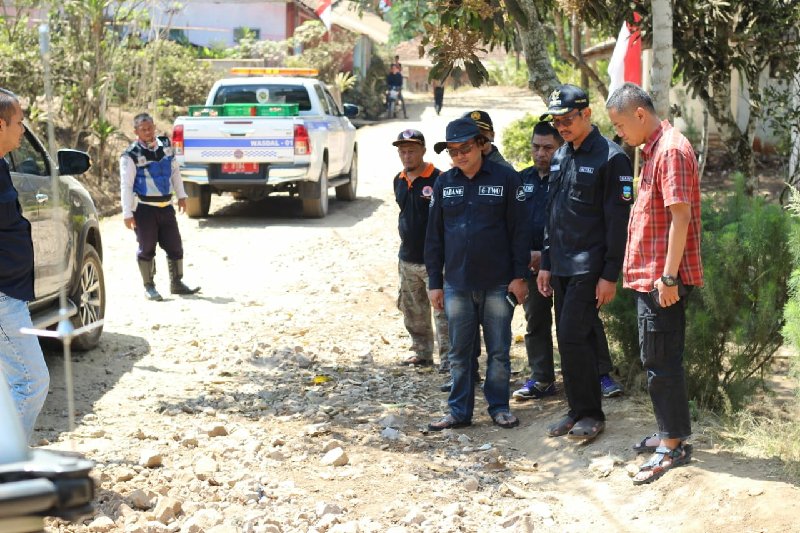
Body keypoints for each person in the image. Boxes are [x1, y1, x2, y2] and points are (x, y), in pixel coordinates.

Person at [606, 82, 703, 484]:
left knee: (662, 363)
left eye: (620, 124)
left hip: (663, 280)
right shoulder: (653, 150)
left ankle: (674, 443)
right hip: (651, 278)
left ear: (640, 115)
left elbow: (680, 218)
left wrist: (668, 277)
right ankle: (670, 433)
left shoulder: (672, 151)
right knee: (657, 360)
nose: (619, 133)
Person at [536, 84, 633, 442]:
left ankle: (591, 413)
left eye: (568, 119)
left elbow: (617, 222)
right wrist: (546, 261)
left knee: (573, 335)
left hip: (589, 266)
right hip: (561, 264)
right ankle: (577, 409)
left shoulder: (611, 158)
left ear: (587, 115)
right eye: (557, 121)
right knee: (572, 339)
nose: (562, 126)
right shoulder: (562, 155)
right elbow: (553, 214)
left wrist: (610, 274)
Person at [425, 117, 531, 431]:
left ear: (481, 146)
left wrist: (519, 276)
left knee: (498, 350)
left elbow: (520, 232)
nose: (459, 155)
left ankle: (499, 407)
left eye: (465, 148)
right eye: (452, 150)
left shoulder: (507, 179)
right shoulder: (445, 183)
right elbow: (434, 238)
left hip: (499, 283)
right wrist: (435, 283)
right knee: (459, 351)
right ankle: (459, 412)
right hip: (456, 283)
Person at [514, 121, 623, 400]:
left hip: (570, 261)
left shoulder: (571, 167)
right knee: (536, 321)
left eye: (547, 148)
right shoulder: (521, 180)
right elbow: (512, 225)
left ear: (559, 147)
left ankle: (600, 374)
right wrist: (527, 257)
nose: (540, 153)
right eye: (535, 147)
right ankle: (542, 378)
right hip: (535, 266)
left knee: (583, 321)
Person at [0, 88, 49, 443]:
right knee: (32, 381)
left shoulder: (1, 166)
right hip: (2, 296)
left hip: (10, 293)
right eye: (18, 122)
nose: (22, 129)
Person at [120, 113, 199, 301]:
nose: (148, 132)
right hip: (144, 209)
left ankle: (177, 283)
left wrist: (181, 196)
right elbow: (126, 185)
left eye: (150, 128)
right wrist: (127, 213)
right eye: (143, 129)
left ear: (154, 127)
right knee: (146, 247)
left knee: (175, 245)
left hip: (166, 207)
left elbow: (175, 173)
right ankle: (149, 286)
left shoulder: (166, 147)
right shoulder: (130, 155)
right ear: (136, 131)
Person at [392, 129, 450, 372]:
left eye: (412, 151)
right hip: (407, 258)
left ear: (423, 151)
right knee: (412, 309)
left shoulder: (439, 179)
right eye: (402, 151)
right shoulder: (399, 179)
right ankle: (421, 352)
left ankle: (449, 360)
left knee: (443, 313)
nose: (407, 156)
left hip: (435, 261)